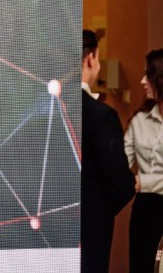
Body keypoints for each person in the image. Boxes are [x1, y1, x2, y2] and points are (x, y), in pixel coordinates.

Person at [80, 30, 135, 273]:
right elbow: (120, 183)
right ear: (91, 58)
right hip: (90, 232)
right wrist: (98, 209)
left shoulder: (41, 110)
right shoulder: (102, 116)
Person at [125, 48, 163, 273]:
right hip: (144, 211)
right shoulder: (139, 121)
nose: (142, 81)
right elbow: (120, 164)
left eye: (147, 75)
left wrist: (143, 181)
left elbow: (138, 181)